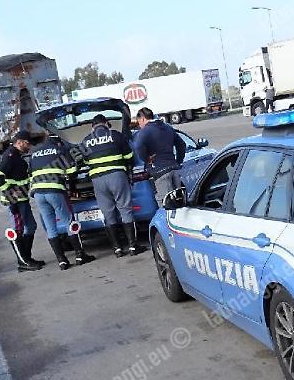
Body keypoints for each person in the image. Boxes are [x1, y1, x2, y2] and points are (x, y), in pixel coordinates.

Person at [28, 132, 96, 270]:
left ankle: (62, 261)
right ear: (58, 142)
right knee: (68, 222)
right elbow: (71, 170)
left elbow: (30, 172)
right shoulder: (59, 149)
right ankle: (79, 255)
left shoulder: (34, 153)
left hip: (38, 194)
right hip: (54, 191)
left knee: (51, 227)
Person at [79, 114, 139, 256]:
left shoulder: (86, 141)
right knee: (125, 209)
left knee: (108, 213)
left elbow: (86, 163)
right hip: (117, 176)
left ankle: (117, 249)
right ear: (106, 123)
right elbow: (130, 156)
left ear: (92, 127)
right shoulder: (116, 135)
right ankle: (133, 247)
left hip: (98, 180)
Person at [0, 130, 44, 272]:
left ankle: (27, 258)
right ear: (19, 142)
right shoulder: (10, 155)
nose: (29, 146)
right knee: (17, 230)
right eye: (27, 144)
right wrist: (9, 193)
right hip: (14, 201)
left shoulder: (17, 155)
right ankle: (23, 262)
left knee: (31, 226)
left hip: (23, 199)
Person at [134, 107, 186, 204]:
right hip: (174, 169)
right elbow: (182, 145)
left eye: (139, 122)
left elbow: (138, 146)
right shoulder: (167, 127)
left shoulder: (144, 132)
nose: (140, 125)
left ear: (142, 119)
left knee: (166, 204)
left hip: (160, 171)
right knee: (179, 201)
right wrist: (178, 162)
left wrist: (146, 159)